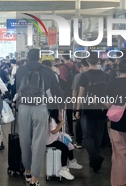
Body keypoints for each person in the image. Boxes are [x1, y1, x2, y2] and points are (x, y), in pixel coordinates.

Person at [16, 49, 64, 186]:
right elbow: (58, 91)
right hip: (41, 108)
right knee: (38, 142)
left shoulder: (20, 71)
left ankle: (27, 171)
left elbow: (16, 89)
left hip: (24, 108)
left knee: (24, 140)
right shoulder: (48, 71)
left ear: (27, 57)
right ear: (39, 58)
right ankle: (34, 179)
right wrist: (60, 109)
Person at [75, 52, 109, 172]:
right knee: (98, 136)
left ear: (88, 62)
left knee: (87, 136)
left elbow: (81, 94)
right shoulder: (105, 75)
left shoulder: (84, 76)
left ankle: (95, 157)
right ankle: (94, 161)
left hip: (88, 109)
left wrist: (77, 110)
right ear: (99, 61)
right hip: (102, 110)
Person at [46, 109, 82, 180]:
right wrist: (61, 124)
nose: (61, 113)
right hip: (50, 141)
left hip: (54, 138)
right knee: (64, 148)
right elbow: (54, 131)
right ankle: (63, 167)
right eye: (60, 111)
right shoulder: (52, 119)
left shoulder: (54, 119)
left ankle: (72, 160)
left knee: (68, 143)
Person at [71, 59, 89, 149]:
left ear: (82, 66)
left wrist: (74, 104)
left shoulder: (78, 76)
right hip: (95, 104)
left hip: (81, 104)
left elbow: (75, 91)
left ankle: (79, 142)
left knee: (79, 123)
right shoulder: (98, 75)